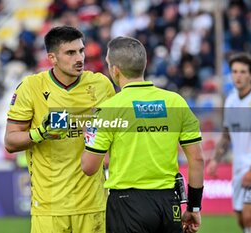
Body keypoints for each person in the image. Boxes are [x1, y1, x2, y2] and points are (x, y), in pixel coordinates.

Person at [81, 36, 205, 233]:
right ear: (143, 65)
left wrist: (89, 134)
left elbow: (89, 167)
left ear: (115, 70)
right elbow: (197, 159)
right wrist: (193, 207)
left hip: (126, 204)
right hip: (168, 202)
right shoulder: (175, 102)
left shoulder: (109, 109)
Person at [4, 26, 115, 233]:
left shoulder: (100, 84)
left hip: (93, 205)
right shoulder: (31, 87)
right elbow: (10, 142)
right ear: (52, 58)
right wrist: (41, 133)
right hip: (49, 207)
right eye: (70, 53)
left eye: (81, 51)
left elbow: (117, 137)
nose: (79, 58)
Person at [207, 52, 251, 233]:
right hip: (238, 166)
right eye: (234, 71)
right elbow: (227, 134)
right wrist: (215, 160)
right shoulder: (231, 100)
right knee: (241, 219)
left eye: (243, 72)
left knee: (250, 214)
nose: (238, 75)